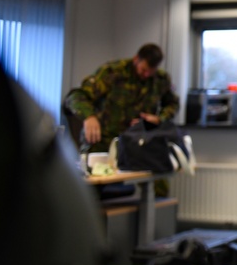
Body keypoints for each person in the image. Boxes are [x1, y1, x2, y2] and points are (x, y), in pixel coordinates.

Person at [65, 43, 180, 195]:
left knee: (159, 185)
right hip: (102, 141)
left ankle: (151, 217)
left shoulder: (160, 80)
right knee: (90, 187)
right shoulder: (113, 72)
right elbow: (75, 96)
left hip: (137, 142)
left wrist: (159, 118)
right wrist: (89, 117)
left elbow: (173, 103)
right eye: (143, 70)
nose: (146, 75)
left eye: (150, 72)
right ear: (136, 59)